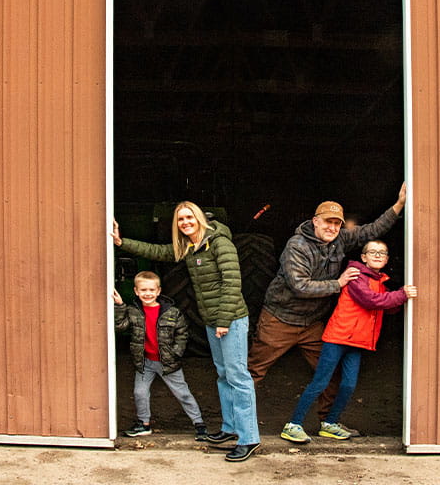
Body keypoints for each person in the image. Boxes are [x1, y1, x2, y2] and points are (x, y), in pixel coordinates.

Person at [248, 182, 406, 435]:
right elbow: (300, 286)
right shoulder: (297, 246)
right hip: (280, 319)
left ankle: (327, 422)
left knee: (329, 373)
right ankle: (239, 425)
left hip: (313, 323)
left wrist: (398, 205)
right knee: (254, 371)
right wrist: (339, 283)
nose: (333, 228)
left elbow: (370, 231)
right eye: (328, 222)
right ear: (315, 222)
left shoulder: (339, 239)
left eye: (337, 223)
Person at [112, 202, 261, 462]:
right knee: (224, 375)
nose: (185, 222)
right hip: (212, 320)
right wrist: (121, 242)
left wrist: (224, 320)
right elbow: (157, 251)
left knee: (238, 377)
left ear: (200, 219)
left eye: (189, 217)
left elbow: (232, 282)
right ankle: (230, 428)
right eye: (180, 219)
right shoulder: (190, 247)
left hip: (231, 319)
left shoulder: (219, 243)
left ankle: (249, 438)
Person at [280, 240, 416, 443]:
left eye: (382, 252)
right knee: (321, 382)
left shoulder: (379, 281)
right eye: (373, 252)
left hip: (357, 341)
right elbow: (370, 301)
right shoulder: (356, 275)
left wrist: (397, 300)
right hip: (338, 337)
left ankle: (330, 423)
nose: (378, 255)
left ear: (387, 259)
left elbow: (385, 305)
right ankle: (293, 425)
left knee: (349, 385)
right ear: (364, 257)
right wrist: (401, 295)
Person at [112, 271, 207, 440]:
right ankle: (144, 424)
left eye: (151, 290)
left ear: (158, 291)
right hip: (145, 362)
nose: (147, 294)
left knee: (182, 393)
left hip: (167, 363)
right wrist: (119, 306)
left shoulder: (172, 312)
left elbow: (182, 333)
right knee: (140, 393)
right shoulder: (133, 311)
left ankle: (199, 424)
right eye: (143, 290)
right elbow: (120, 326)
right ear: (136, 291)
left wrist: (176, 352)